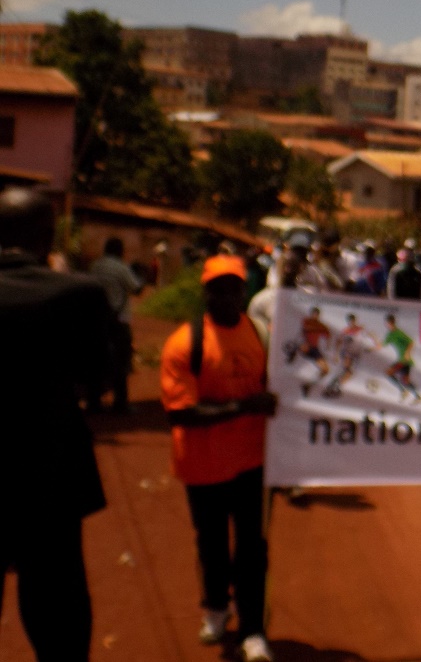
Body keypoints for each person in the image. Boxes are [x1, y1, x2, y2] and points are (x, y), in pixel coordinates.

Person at [0, 188, 114, 661]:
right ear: (48, 236)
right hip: (50, 479)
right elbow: (100, 382)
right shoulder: (79, 295)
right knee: (57, 619)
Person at [160, 255, 278, 662]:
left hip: (252, 463)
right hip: (203, 466)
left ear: (243, 291)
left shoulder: (261, 336)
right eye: (218, 287)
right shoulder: (185, 343)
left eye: (233, 287)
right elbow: (181, 412)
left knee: (252, 549)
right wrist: (246, 407)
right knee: (210, 544)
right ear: (206, 291)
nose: (226, 295)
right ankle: (215, 608)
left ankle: (252, 629)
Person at [89, 235, 143, 414]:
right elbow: (136, 288)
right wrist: (140, 273)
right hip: (119, 321)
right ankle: (120, 403)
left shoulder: (96, 266)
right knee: (121, 362)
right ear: (120, 251)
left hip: (98, 320)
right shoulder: (121, 267)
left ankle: (94, 402)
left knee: (96, 361)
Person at [383, 313, 421, 401]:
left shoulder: (398, 333)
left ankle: (404, 391)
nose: (389, 325)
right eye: (388, 323)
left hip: (404, 361)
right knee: (405, 380)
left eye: (390, 323)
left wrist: (407, 353)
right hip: (402, 360)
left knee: (390, 373)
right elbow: (382, 344)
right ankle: (417, 396)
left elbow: (411, 342)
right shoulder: (390, 335)